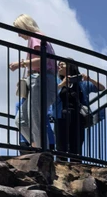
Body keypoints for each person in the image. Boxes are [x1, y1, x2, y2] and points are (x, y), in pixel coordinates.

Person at [9, 15, 56, 149]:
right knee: (21, 120)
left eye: (18, 30)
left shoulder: (36, 36)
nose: (18, 35)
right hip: (40, 80)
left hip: (41, 80)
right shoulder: (38, 37)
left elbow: (43, 60)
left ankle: (42, 153)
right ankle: (39, 147)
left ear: (24, 27)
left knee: (35, 120)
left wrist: (21, 63)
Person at [55, 59, 86, 157]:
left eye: (61, 64)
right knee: (61, 144)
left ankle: (77, 166)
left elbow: (101, 88)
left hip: (78, 115)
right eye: (58, 65)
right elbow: (50, 93)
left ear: (70, 66)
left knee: (76, 145)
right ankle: (61, 166)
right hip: (62, 114)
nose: (59, 66)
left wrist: (89, 79)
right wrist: (62, 84)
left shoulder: (80, 83)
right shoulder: (57, 81)